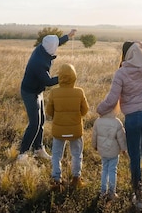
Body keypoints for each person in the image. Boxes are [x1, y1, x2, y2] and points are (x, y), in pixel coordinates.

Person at [96, 40, 142, 210]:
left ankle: (138, 198)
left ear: (125, 55)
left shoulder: (121, 73)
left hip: (132, 119)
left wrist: (100, 109)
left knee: (134, 158)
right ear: (137, 53)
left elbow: (112, 99)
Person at [18, 29, 76, 160]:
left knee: (41, 120)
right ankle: (22, 153)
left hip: (37, 91)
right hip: (29, 92)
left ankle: (38, 149)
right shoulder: (38, 62)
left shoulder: (43, 48)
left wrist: (68, 36)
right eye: (55, 46)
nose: (57, 47)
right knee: (34, 124)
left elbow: (56, 42)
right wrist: (64, 76)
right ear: (51, 48)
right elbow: (48, 81)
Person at [45, 63, 89, 190]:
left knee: (56, 155)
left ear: (60, 76)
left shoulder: (54, 92)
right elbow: (85, 111)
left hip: (59, 130)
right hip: (75, 130)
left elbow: (49, 112)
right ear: (74, 76)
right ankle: (76, 179)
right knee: (76, 154)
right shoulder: (80, 92)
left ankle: (56, 180)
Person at [92, 104, 127, 200]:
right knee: (112, 170)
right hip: (114, 152)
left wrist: (94, 146)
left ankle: (103, 191)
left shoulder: (98, 122)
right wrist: (124, 149)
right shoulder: (117, 123)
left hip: (102, 151)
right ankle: (112, 192)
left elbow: (94, 136)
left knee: (104, 169)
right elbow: (121, 138)